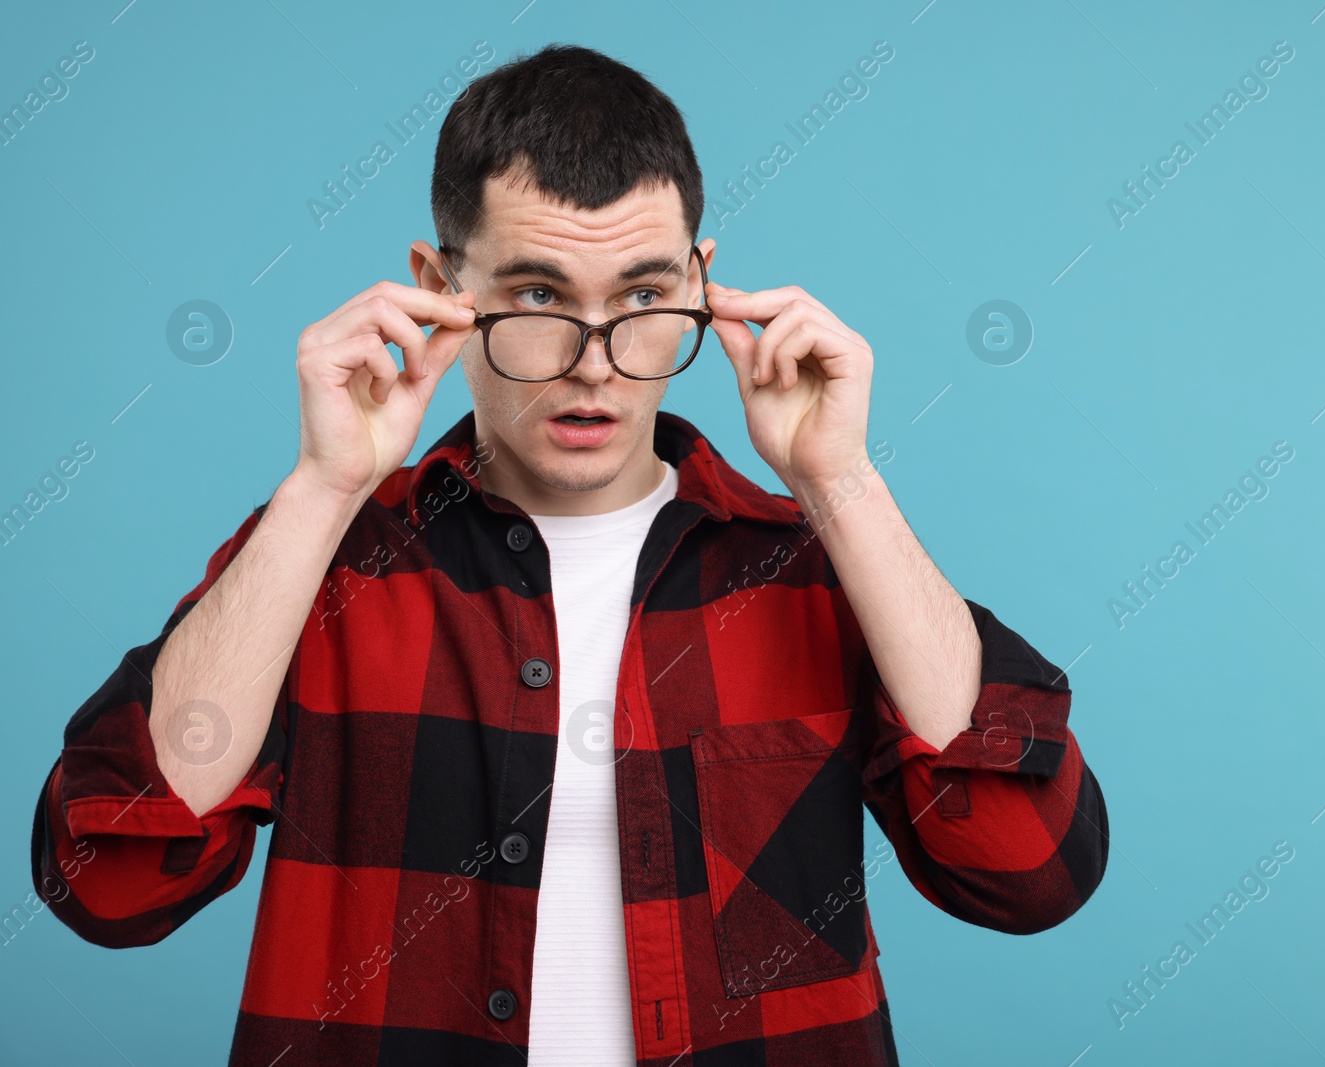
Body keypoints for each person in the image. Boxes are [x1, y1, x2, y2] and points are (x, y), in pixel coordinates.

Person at [30, 42, 1109, 1067]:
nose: (595, 363)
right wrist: (322, 487)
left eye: (643, 297)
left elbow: (1027, 870)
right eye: (539, 296)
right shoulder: (323, 563)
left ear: (700, 280)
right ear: (439, 284)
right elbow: (111, 884)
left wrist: (838, 480)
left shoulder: (814, 568)